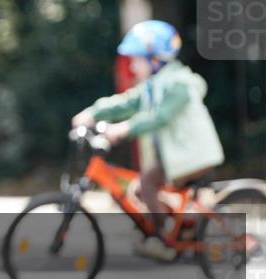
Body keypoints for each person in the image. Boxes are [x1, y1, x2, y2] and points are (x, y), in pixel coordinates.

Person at [72, 20, 224, 262]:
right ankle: (181, 226)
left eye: (137, 59)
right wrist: (93, 112)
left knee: (146, 185)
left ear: (156, 59)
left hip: (194, 155)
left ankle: (163, 238)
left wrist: (124, 128)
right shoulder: (154, 85)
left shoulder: (179, 85)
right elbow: (127, 102)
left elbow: (160, 117)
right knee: (137, 189)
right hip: (177, 156)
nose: (132, 66)